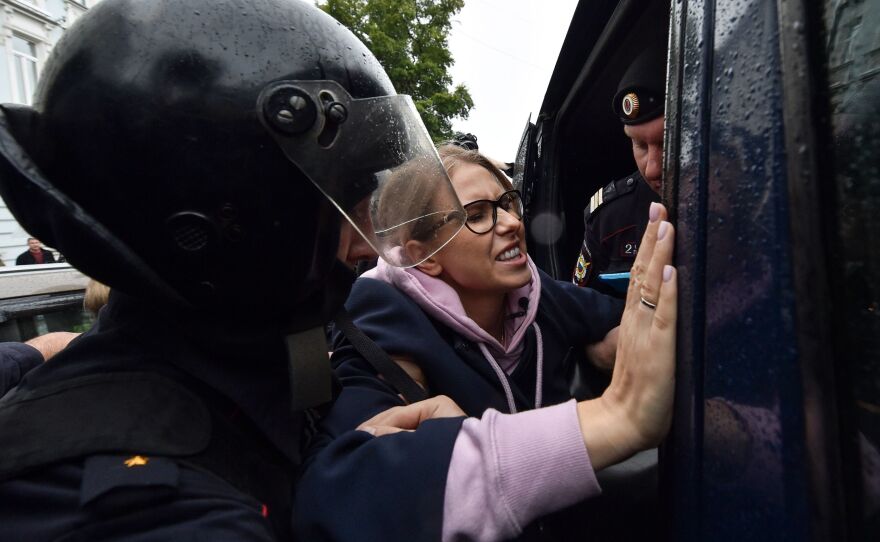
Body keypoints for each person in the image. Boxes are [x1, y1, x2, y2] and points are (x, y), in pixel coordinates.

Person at [0, 0, 467, 539]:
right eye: (350, 199)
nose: (367, 241)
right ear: (242, 217)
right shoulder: (142, 508)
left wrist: (340, 464)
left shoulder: (247, 363)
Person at [294, 145, 676, 540]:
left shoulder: (535, 291)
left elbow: (620, 320)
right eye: (476, 215)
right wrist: (619, 414)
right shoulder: (385, 321)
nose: (510, 222)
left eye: (508, 203)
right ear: (425, 257)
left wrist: (600, 349)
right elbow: (344, 488)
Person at [573, 42, 666, 291]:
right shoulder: (609, 220)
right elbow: (584, 310)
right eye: (641, 146)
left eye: (667, 143)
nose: (652, 169)